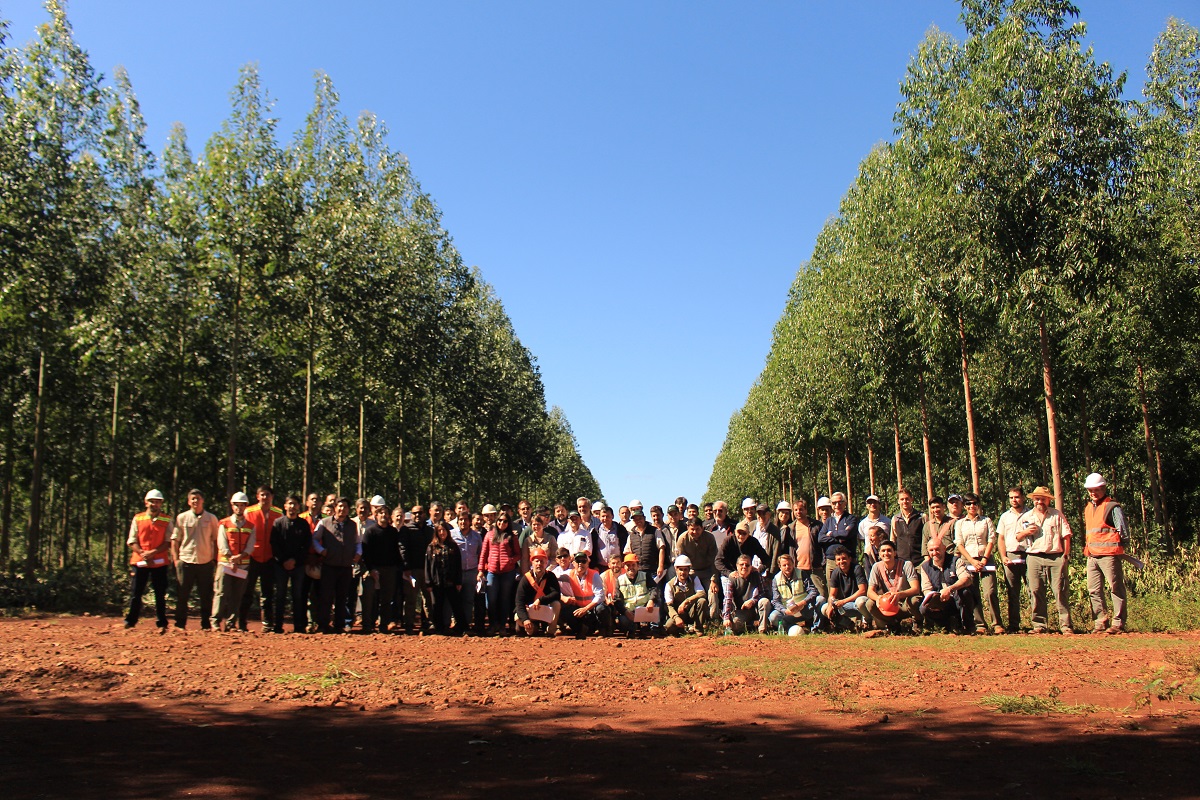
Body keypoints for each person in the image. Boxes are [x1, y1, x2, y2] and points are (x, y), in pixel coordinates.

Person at [1017, 486, 1074, 634]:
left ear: (1048, 500)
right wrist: (1025, 532)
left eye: (1043, 499)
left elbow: (1066, 535)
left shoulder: (1057, 515)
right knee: (1035, 590)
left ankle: (1066, 626)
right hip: (1034, 557)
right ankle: (1039, 625)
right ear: (1033, 500)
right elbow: (1017, 537)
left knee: (1060, 591)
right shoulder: (1026, 517)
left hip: (1055, 557)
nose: (1040, 502)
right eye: (1037, 499)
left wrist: (1066, 555)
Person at [1082, 473, 1128, 634]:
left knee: (1116, 588)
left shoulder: (1112, 507)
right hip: (1092, 555)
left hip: (1109, 555)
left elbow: (1123, 530)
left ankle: (1118, 623)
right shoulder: (1089, 508)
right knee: (1093, 590)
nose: (1093, 493)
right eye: (1090, 490)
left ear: (1103, 488)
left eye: (1096, 489)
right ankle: (1100, 622)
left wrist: (1120, 548)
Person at [954, 492, 1004, 634]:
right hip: (968, 560)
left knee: (990, 592)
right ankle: (980, 624)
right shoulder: (960, 523)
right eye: (968, 504)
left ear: (978, 505)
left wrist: (984, 559)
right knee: (973, 593)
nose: (972, 506)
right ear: (964, 506)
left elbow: (991, 540)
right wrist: (972, 561)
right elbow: (959, 544)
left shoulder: (986, 520)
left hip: (985, 559)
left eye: (975, 503)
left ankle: (997, 623)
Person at [125, 489, 174, 632]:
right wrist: (143, 553)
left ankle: (162, 622)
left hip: (159, 562)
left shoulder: (166, 519)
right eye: (152, 501)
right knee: (136, 593)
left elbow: (168, 541)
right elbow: (132, 540)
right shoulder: (138, 518)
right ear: (146, 502)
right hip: (140, 561)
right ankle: (130, 621)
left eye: (158, 502)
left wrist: (153, 553)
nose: (155, 504)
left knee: (160, 593)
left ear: (161, 504)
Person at [171, 489, 218, 631]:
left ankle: (206, 624)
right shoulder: (182, 518)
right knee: (182, 594)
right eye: (193, 498)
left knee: (206, 595)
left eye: (198, 498)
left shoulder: (211, 518)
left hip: (205, 562)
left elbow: (216, 540)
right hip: (186, 561)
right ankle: (180, 624)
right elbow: (175, 540)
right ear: (188, 501)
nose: (195, 501)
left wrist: (215, 560)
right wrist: (176, 560)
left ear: (203, 500)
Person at [312, 497, 360, 634]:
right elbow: (314, 539)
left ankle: (339, 625)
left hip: (346, 566)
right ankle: (323, 625)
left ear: (348, 509)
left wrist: (358, 553)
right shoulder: (324, 522)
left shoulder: (353, 525)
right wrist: (321, 550)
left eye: (345, 507)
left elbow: (357, 542)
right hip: (329, 565)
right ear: (335, 508)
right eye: (340, 506)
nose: (342, 509)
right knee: (326, 597)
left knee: (342, 597)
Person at [239, 486, 281, 632]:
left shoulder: (278, 513)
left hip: (270, 558)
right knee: (247, 591)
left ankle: (267, 624)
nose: (265, 497)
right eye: (262, 495)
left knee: (267, 593)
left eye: (267, 495)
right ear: (257, 496)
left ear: (272, 497)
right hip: (251, 557)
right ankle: (242, 622)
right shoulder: (249, 512)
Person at [271, 495, 313, 634]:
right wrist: (283, 561)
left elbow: (306, 545)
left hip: (298, 565)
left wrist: (295, 561)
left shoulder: (303, 524)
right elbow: (274, 544)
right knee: (280, 595)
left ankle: (298, 627)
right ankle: (278, 626)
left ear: (299, 507)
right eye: (290, 504)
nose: (292, 507)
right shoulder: (278, 523)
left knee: (298, 596)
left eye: (295, 504)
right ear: (285, 506)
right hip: (280, 565)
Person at [213, 492, 255, 633]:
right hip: (225, 564)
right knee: (221, 593)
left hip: (242, 565)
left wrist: (239, 558)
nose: (239, 508)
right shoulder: (224, 523)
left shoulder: (251, 526)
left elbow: (250, 546)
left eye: (242, 505)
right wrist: (232, 558)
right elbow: (222, 543)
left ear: (245, 506)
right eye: (237, 505)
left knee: (237, 595)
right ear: (232, 506)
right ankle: (215, 622)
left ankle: (231, 623)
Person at [361, 502, 404, 634]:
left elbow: (397, 551)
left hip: (390, 570)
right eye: (381, 513)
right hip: (373, 569)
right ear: (376, 515)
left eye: (386, 513)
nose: (383, 515)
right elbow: (366, 552)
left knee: (387, 599)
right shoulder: (370, 531)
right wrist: (371, 569)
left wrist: (398, 567)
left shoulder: (393, 532)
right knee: (370, 599)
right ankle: (367, 625)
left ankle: (383, 625)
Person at [479, 510, 521, 636]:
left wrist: (510, 561)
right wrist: (481, 570)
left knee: (504, 599)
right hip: (492, 572)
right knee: (491, 600)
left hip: (507, 573)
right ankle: (493, 624)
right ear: (496, 521)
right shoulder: (489, 535)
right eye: (500, 520)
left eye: (505, 521)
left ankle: (502, 626)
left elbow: (518, 554)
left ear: (509, 523)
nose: (502, 523)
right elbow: (483, 554)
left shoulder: (512, 537)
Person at [918, 539, 974, 633]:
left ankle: (967, 626)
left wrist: (950, 589)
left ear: (944, 548)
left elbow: (966, 578)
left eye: (937, 549)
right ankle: (945, 625)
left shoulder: (956, 561)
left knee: (965, 593)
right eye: (931, 550)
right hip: (940, 600)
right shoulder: (925, 567)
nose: (934, 553)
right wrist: (934, 599)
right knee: (923, 608)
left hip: (956, 598)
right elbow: (926, 589)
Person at [865, 541, 922, 632]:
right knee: (869, 603)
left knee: (914, 600)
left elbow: (916, 589)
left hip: (905, 603)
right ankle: (893, 624)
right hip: (888, 604)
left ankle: (918, 622)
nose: (886, 553)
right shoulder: (876, 567)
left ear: (895, 553)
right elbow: (869, 591)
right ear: (879, 554)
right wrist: (878, 598)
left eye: (889, 550)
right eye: (883, 551)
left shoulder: (906, 565)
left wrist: (899, 594)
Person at [995, 486, 1030, 633]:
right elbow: (1001, 538)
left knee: (1033, 591)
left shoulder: (1031, 514)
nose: (1014, 500)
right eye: (1011, 498)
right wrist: (1003, 556)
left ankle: (1038, 625)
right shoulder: (1005, 517)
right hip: (1011, 556)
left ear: (1023, 498)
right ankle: (1013, 625)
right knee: (1012, 593)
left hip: (1029, 555)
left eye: (1016, 497)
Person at [674, 516, 719, 619]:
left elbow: (714, 560)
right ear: (688, 528)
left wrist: (713, 579)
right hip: (691, 571)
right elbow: (681, 562)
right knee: (690, 594)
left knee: (713, 592)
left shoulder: (709, 538)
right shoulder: (682, 539)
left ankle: (714, 619)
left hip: (708, 571)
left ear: (702, 528)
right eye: (692, 529)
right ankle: (692, 618)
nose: (695, 532)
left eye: (697, 529)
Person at [425, 521, 463, 635]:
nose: (442, 533)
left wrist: (458, 581)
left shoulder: (453, 546)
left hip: (451, 581)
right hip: (436, 582)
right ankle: (439, 628)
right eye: (439, 531)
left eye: (444, 530)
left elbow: (458, 565)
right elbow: (427, 565)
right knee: (437, 605)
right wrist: (428, 582)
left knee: (456, 605)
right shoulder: (431, 547)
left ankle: (461, 627)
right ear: (436, 532)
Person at [450, 507, 483, 636]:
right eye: (461, 520)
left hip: (471, 572)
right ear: (458, 521)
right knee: (455, 599)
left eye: (465, 520)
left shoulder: (476, 536)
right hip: (456, 573)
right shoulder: (451, 535)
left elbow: (480, 554)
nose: (463, 522)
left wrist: (480, 571)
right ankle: (455, 624)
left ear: (470, 521)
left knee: (468, 600)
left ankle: (466, 625)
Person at [514, 548, 561, 637]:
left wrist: (540, 600)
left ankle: (551, 630)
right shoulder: (525, 579)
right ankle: (532, 629)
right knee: (517, 618)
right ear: (532, 563)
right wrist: (525, 620)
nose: (539, 564)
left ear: (546, 563)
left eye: (542, 561)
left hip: (545, 611)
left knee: (556, 604)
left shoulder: (550, 576)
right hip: (530, 611)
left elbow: (556, 594)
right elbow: (519, 602)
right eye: (536, 561)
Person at [769, 553, 820, 634]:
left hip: (804, 608)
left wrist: (802, 603)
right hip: (788, 611)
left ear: (793, 564)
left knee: (820, 599)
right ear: (780, 566)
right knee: (773, 617)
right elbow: (775, 601)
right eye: (784, 565)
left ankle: (815, 629)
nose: (787, 567)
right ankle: (793, 628)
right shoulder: (776, 579)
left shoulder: (802, 573)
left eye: (789, 564)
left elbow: (813, 591)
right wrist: (785, 611)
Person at [399, 505, 431, 634]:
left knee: (428, 599)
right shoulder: (406, 529)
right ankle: (409, 624)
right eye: (415, 513)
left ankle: (429, 623)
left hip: (427, 570)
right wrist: (406, 567)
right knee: (410, 599)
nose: (417, 515)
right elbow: (402, 549)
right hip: (412, 571)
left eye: (420, 513)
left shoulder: (430, 530)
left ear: (425, 514)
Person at [817, 492, 859, 589]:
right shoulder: (829, 521)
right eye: (834, 503)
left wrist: (831, 533)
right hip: (831, 561)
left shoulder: (851, 518)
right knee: (832, 590)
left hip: (847, 560)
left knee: (849, 588)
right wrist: (839, 538)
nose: (837, 505)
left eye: (840, 502)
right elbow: (821, 538)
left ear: (845, 503)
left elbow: (846, 534)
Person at [821, 546, 869, 632]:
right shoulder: (835, 572)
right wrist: (830, 605)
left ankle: (868, 623)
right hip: (845, 605)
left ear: (850, 559)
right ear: (835, 562)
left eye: (844, 558)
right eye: (838, 559)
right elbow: (832, 594)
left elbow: (862, 590)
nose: (841, 561)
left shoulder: (857, 569)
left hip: (858, 603)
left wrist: (843, 601)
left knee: (861, 601)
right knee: (824, 608)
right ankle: (850, 625)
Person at [560, 551, 606, 638]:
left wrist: (585, 609)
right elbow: (554, 583)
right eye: (578, 561)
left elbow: (600, 596)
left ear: (588, 563)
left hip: (592, 609)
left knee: (601, 608)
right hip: (578, 609)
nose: (580, 564)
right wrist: (562, 597)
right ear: (573, 563)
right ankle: (579, 630)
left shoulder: (594, 575)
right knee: (564, 608)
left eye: (583, 561)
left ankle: (602, 630)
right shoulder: (568, 574)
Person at [721, 555, 771, 635]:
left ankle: (763, 630)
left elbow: (765, 593)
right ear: (737, 566)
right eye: (742, 564)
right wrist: (726, 618)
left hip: (757, 609)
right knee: (735, 625)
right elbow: (727, 599)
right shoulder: (731, 579)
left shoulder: (757, 576)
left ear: (751, 567)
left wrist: (753, 601)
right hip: (741, 611)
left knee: (765, 601)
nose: (744, 567)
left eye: (747, 565)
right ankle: (753, 625)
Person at [663, 555, 710, 635]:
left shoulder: (694, 579)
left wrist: (686, 601)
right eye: (680, 569)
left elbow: (702, 593)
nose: (683, 572)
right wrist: (676, 618)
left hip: (692, 611)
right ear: (676, 569)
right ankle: (685, 629)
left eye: (685, 569)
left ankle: (698, 629)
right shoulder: (669, 585)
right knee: (669, 626)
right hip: (679, 614)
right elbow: (669, 606)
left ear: (689, 570)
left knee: (702, 601)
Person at [615, 553, 659, 637]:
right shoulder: (620, 580)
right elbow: (617, 600)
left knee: (656, 603)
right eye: (628, 565)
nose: (631, 567)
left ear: (638, 566)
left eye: (633, 565)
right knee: (622, 621)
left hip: (644, 610)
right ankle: (632, 629)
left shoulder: (645, 576)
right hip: (629, 612)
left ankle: (651, 630)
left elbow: (654, 589)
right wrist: (625, 612)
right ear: (624, 567)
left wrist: (651, 600)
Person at [624, 507, 666, 588]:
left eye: (640, 518)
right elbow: (628, 552)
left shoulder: (655, 531)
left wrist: (660, 566)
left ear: (644, 518)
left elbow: (661, 548)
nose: (638, 521)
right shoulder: (631, 535)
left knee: (655, 592)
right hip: (638, 571)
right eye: (636, 519)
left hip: (653, 570)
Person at [891, 488, 924, 568]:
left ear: (911, 499)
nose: (904, 501)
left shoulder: (921, 517)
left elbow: (927, 538)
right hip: (901, 563)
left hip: (920, 562)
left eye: (907, 499)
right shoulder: (895, 519)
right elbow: (893, 540)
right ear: (898, 501)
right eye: (902, 499)